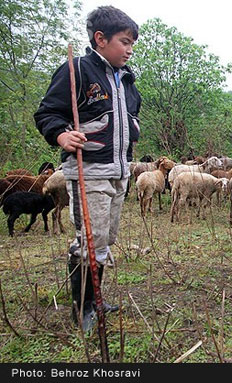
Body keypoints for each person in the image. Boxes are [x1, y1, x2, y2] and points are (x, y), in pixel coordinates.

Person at [34, 6, 141, 331]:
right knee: (90, 241)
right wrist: (62, 134)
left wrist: (133, 127)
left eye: (132, 43)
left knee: (105, 239)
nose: (129, 49)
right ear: (100, 38)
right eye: (124, 41)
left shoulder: (127, 80)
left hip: (119, 171)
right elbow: (48, 112)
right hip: (89, 170)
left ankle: (95, 298)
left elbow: (131, 116)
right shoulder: (77, 70)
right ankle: (82, 308)